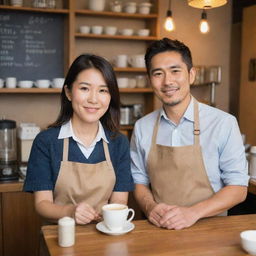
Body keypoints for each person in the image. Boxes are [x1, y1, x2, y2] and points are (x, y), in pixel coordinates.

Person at [130, 38, 249, 230]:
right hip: (161, 229)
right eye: (158, 73)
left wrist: (192, 213)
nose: (167, 81)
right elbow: (138, 180)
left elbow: (238, 188)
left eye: (175, 71)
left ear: (191, 74)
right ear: (150, 79)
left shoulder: (223, 123)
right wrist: (150, 207)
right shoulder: (142, 127)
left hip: (213, 232)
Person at [24, 54, 134, 224]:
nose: (93, 99)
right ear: (68, 92)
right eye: (84, 88)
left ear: (111, 96)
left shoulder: (119, 142)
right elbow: (42, 204)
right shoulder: (46, 141)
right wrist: (71, 212)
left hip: (106, 233)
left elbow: (119, 201)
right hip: (61, 234)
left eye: (103, 90)